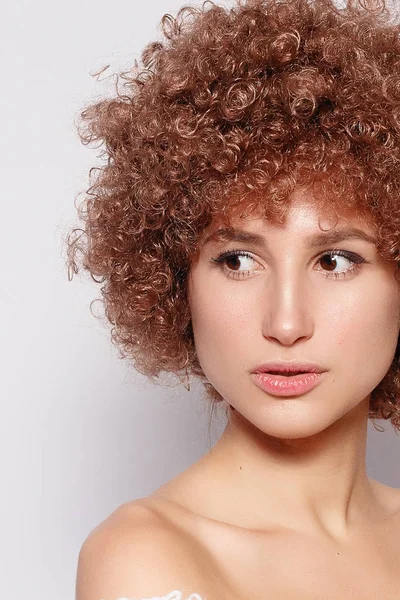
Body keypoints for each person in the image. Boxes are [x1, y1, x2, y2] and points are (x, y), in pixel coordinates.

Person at [67, 0, 400, 598]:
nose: (287, 322)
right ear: (174, 280)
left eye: (335, 260)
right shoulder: (145, 560)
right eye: (238, 261)